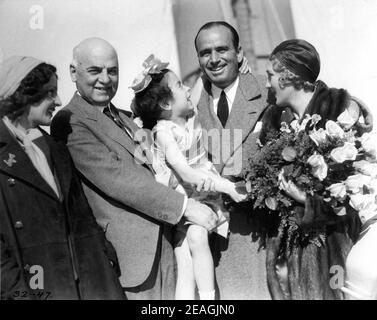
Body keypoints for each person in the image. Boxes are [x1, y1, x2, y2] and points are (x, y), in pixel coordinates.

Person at [50, 38, 219, 300]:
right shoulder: (70, 121)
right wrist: (187, 207)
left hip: (168, 246)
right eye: (95, 71)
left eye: (113, 71)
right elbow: (120, 181)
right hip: (134, 259)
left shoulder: (126, 118)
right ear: (74, 72)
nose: (105, 79)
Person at [0, 56, 125, 300]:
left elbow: (83, 216)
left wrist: (105, 257)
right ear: (23, 95)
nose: (58, 101)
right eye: (50, 94)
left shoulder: (54, 148)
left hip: (92, 282)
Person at [259, 39, 372, 299]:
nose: (267, 84)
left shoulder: (340, 111)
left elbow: (353, 195)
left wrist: (306, 201)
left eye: (271, 76)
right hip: (289, 254)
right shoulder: (274, 120)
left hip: (334, 249)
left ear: (290, 77)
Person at [130, 55, 247, 300]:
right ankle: (207, 301)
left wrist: (210, 73)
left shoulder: (185, 117)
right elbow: (184, 172)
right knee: (194, 240)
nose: (185, 89)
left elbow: (192, 94)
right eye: (179, 86)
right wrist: (228, 186)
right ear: (165, 105)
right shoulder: (163, 131)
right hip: (189, 193)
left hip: (200, 189)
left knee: (185, 259)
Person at [194, 21, 271, 299]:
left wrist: (354, 105)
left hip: (263, 235)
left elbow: (316, 97)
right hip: (214, 240)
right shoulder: (187, 104)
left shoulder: (267, 87)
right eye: (205, 53)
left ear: (239, 53)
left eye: (222, 49)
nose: (214, 59)